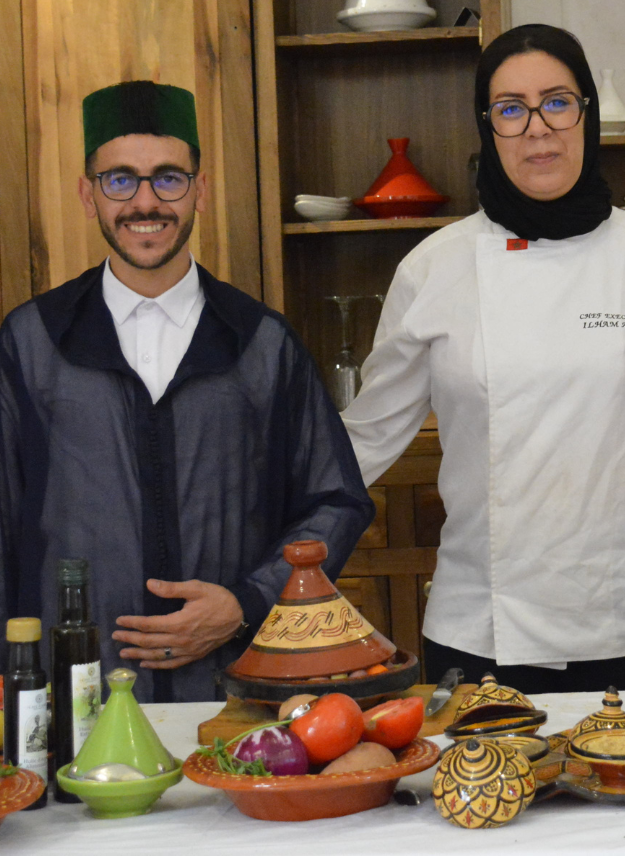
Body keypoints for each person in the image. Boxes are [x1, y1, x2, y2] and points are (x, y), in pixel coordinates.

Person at [342, 24, 625, 693]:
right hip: (482, 626)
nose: (537, 129)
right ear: (487, 127)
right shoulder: (433, 268)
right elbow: (366, 438)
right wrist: (260, 527)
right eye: (511, 110)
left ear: (587, 114)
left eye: (557, 102)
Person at [0, 80, 373, 702]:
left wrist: (245, 601)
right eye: (119, 180)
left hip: (236, 694)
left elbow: (336, 502)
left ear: (201, 188)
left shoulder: (261, 343)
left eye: (168, 178)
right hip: (74, 698)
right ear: (87, 194)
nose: (145, 202)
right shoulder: (32, 342)